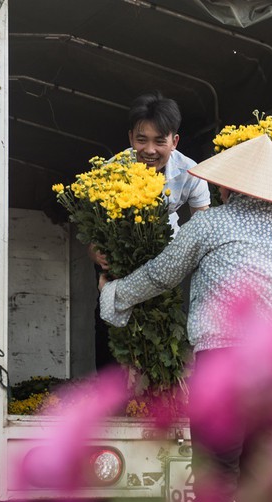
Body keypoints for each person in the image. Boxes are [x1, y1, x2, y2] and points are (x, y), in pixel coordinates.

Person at [98, 133, 272, 502]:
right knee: (257, 487)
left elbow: (162, 274)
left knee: (217, 483)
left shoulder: (211, 224)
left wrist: (113, 293)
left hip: (227, 367)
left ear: (231, 187)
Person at [92, 92, 210, 369]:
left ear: (174, 141)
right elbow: (95, 233)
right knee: (108, 314)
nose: (150, 150)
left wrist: (184, 262)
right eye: (142, 139)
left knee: (164, 315)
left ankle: (161, 389)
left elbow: (202, 225)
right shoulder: (112, 171)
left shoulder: (191, 171)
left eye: (160, 141)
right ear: (131, 137)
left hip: (168, 247)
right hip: (119, 247)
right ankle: (112, 391)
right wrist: (98, 257)